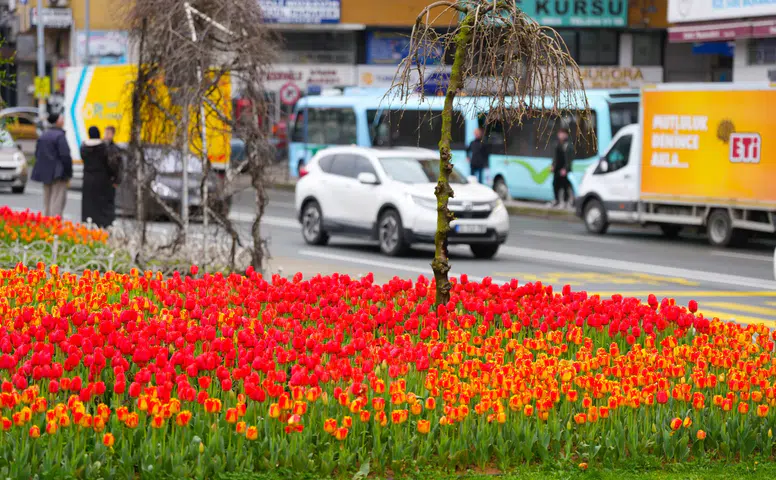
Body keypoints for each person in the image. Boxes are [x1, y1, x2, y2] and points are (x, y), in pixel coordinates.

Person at [31, 113, 72, 218]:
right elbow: (65, 156)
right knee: (57, 200)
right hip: (59, 173)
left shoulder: (43, 135)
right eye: (61, 118)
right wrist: (69, 173)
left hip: (45, 173)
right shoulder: (60, 136)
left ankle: (47, 224)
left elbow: (37, 154)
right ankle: (55, 225)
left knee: (47, 201)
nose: (63, 120)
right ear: (57, 121)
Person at [80, 126, 117, 228]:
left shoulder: (83, 147)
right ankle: (101, 225)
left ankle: (88, 223)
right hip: (102, 179)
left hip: (87, 179)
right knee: (101, 205)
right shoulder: (103, 148)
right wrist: (114, 177)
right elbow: (110, 164)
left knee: (88, 204)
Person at [552, 125, 575, 208]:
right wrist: (553, 166)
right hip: (557, 169)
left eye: (562, 134)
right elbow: (555, 157)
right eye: (560, 134)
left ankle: (566, 201)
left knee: (565, 185)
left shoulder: (569, 145)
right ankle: (556, 200)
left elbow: (569, 159)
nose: (561, 135)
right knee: (555, 184)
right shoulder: (557, 144)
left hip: (565, 169)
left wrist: (565, 169)